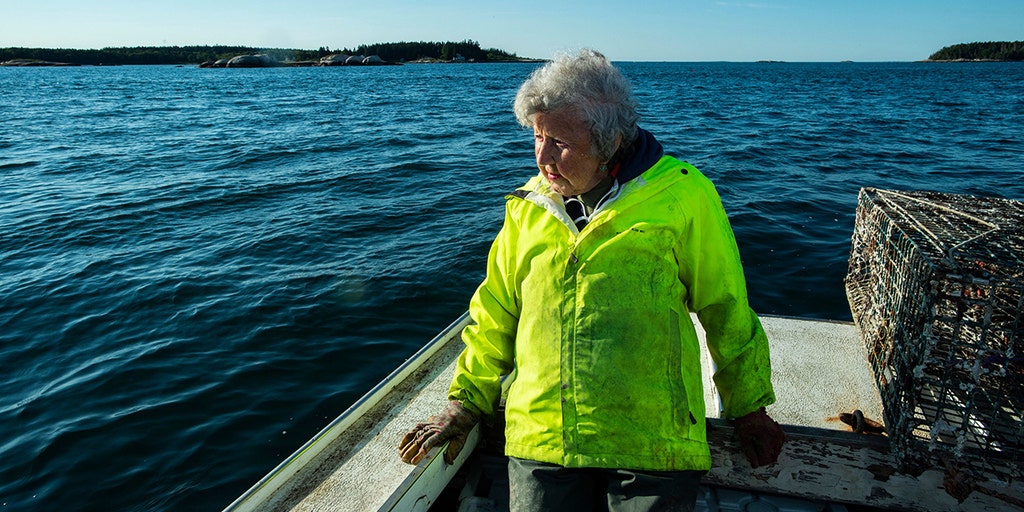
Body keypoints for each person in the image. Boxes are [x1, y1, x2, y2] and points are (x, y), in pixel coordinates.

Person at [399, 49, 784, 511]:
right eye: (536, 137)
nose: (542, 156)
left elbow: (725, 306)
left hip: (651, 440)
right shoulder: (527, 206)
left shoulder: (683, 195)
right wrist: (465, 403)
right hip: (543, 437)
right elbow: (495, 311)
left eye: (558, 142)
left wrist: (749, 408)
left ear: (610, 141)